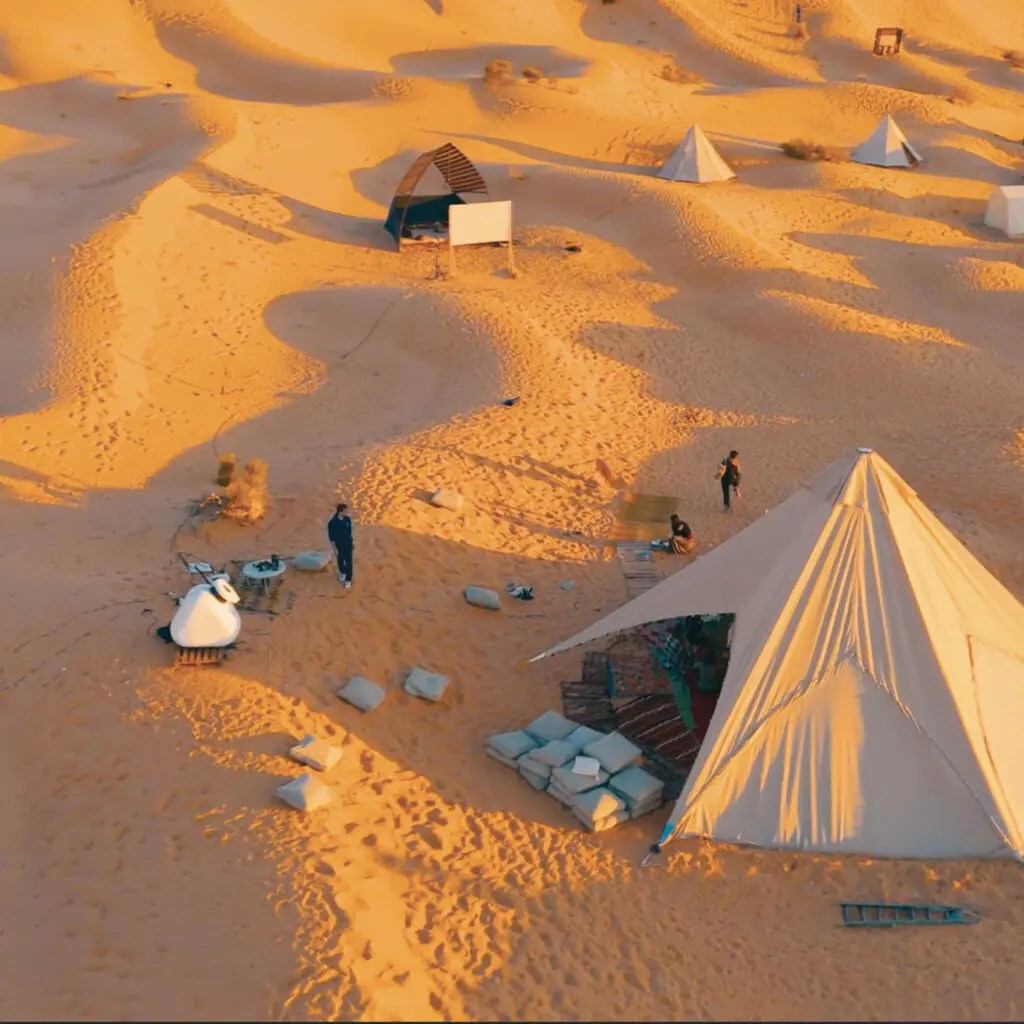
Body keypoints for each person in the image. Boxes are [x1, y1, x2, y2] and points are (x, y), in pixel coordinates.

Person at [327, 502, 354, 588]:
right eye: (345, 511)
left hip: (348, 543)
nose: (347, 513)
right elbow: (332, 538)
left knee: (349, 562)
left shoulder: (347, 520)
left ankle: (348, 579)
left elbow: (350, 532)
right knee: (340, 560)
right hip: (339, 545)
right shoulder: (332, 523)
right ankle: (343, 572)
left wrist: (352, 542)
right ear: (340, 511)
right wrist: (334, 549)